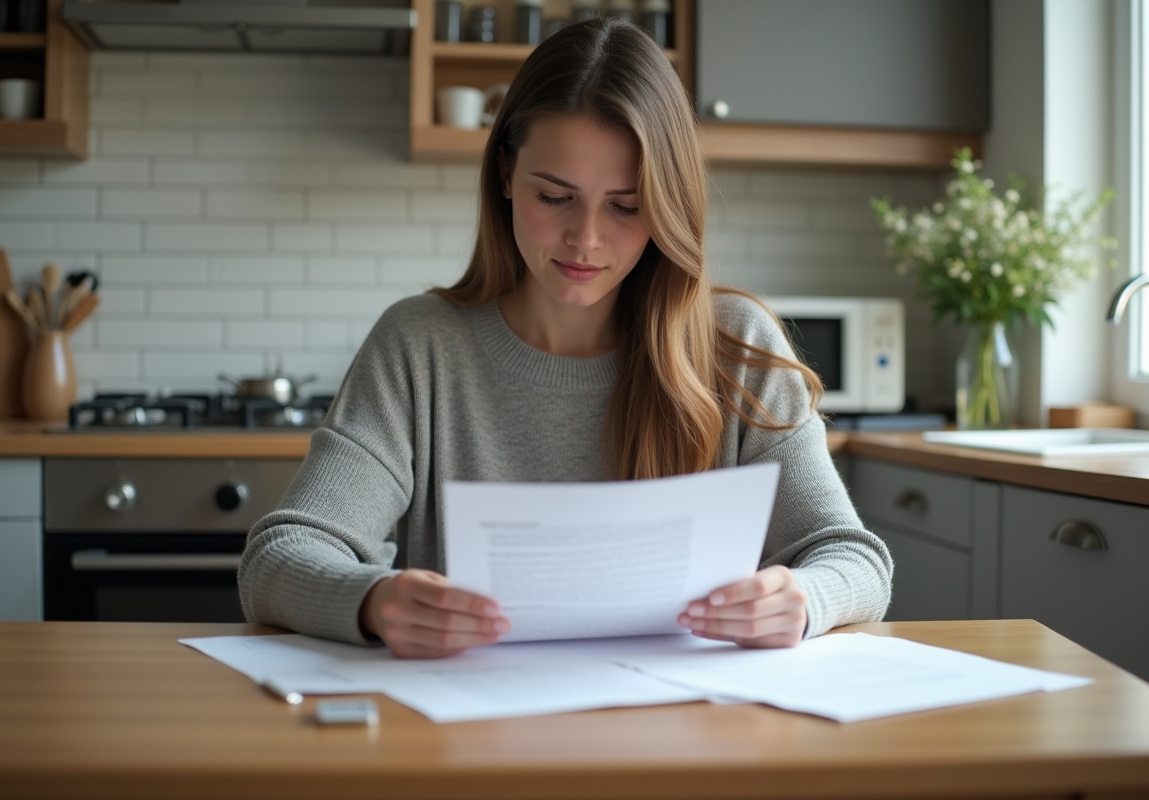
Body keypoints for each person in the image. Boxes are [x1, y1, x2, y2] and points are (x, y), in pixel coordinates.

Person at [238, 18, 892, 659]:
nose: (586, 239)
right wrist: (374, 601)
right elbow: (279, 559)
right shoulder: (420, 347)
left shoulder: (736, 346)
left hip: (689, 736)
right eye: (554, 197)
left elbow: (853, 558)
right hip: (472, 736)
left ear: (667, 207)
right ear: (504, 176)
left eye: (626, 206)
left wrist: (803, 599)